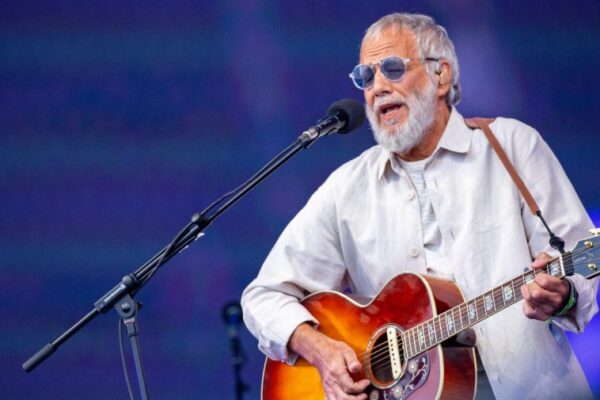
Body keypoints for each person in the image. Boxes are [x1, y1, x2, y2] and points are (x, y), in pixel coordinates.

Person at [241, 12, 598, 400]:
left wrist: (565, 295)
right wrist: (321, 351)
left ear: (441, 76)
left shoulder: (512, 147)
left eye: (392, 69)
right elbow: (263, 297)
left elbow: (579, 264)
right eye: (366, 77)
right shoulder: (346, 189)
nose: (378, 87)